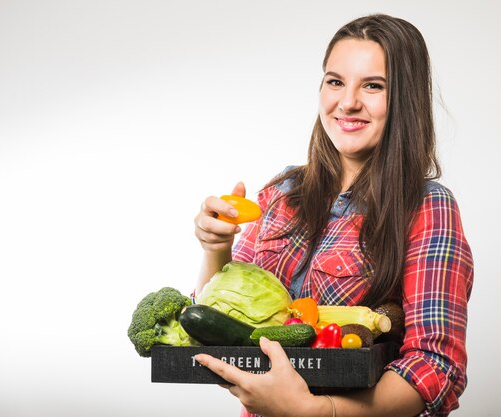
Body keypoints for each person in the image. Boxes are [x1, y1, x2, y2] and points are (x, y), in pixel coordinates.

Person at [192, 13, 473, 417]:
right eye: (335, 81)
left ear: (404, 99)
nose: (347, 102)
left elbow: (435, 368)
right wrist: (215, 248)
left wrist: (314, 411)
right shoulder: (280, 194)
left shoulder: (427, 207)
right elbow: (220, 322)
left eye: (373, 86)